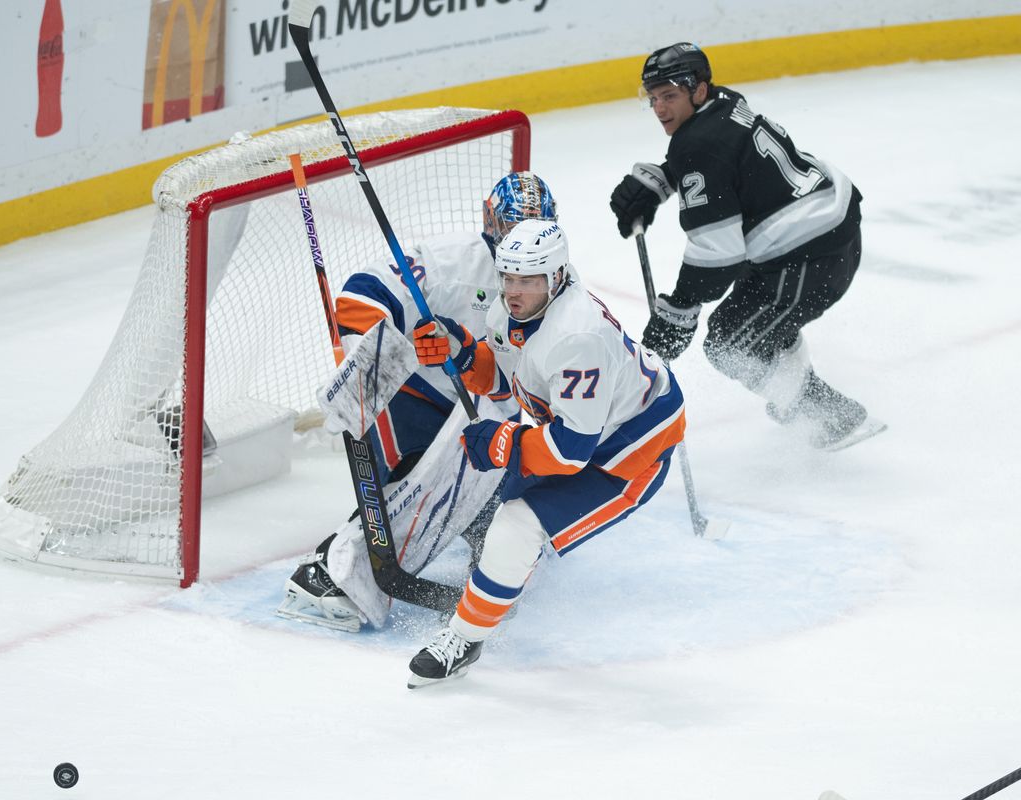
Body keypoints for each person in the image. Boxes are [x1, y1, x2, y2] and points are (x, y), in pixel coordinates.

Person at [405, 219, 686, 687]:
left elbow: (572, 452)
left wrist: (501, 444)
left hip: (632, 451)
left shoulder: (576, 336)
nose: (514, 291)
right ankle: (508, 574)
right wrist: (463, 350)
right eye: (507, 278)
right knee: (512, 521)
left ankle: (464, 637)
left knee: (516, 523)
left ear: (556, 277)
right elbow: (516, 383)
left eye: (527, 280)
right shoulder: (516, 309)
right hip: (591, 429)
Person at [276, 172, 559, 632]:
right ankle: (336, 574)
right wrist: (366, 364)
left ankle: (453, 523)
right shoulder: (452, 261)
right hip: (410, 403)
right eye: (512, 227)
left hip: (487, 412)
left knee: (513, 538)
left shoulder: (558, 287)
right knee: (426, 490)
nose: (521, 243)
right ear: (491, 219)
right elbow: (362, 295)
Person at [609, 42, 880, 450]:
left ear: (698, 90)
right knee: (754, 325)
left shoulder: (698, 144)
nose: (660, 109)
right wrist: (664, 180)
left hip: (810, 256)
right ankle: (802, 400)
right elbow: (723, 162)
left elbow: (718, 256)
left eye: (670, 96)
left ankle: (833, 419)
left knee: (730, 343)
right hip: (821, 232)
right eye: (653, 98)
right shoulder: (724, 102)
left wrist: (681, 308)